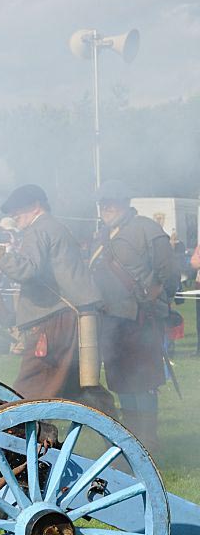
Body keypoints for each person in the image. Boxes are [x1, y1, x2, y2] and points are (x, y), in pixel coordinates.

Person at [0, 184, 112, 410]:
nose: (14, 215)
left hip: (55, 322)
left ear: (36, 206)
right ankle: (120, 429)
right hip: (65, 318)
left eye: (18, 209)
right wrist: (16, 315)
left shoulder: (39, 229)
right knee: (78, 389)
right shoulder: (53, 227)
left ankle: (16, 429)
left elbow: (26, 270)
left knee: (30, 389)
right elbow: (45, 280)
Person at [89, 180, 177, 448]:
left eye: (112, 202)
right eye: (103, 203)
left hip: (141, 319)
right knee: (122, 381)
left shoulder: (147, 229)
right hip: (111, 320)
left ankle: (148, 440)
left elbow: (169, 274)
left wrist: (155, 301)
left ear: (126, 203)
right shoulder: (103, 235)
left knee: (144, 380)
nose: (107, 207)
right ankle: (133, 439)